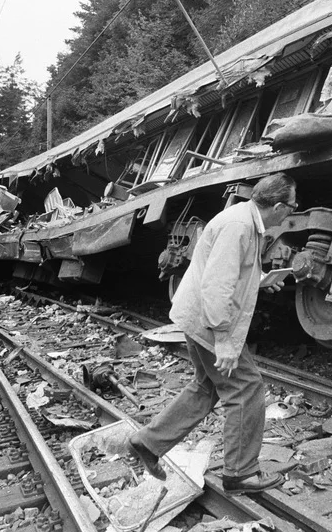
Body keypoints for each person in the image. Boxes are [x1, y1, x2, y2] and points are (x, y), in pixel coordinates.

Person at [128, 172, 298, 495]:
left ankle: (147, 443)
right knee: (247, 388)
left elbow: (230, 274)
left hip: (196, 316)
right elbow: (217, 287)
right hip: (208, 320)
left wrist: (262, 281)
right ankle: (241, 473)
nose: (293, 209)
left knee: (206, 387)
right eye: (292, 205)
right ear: (277, 206)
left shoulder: (246, 221)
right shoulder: (240, 226)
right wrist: (223, 341)